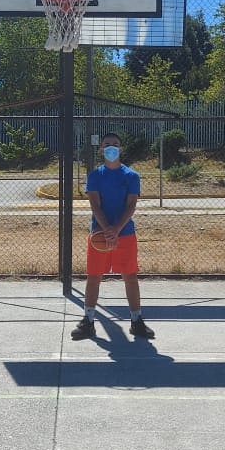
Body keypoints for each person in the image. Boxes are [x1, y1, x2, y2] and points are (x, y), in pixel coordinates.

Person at [71, 133, 154, 341]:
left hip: (124, 233)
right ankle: (88, 321)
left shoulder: (131, 176)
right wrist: (107, 228)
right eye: (107, 145)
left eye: (115, 145)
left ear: (121, 149)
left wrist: (116, 229)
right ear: (100, 150)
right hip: (99, 234)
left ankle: (137, 321)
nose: (111, 148)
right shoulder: (95, 176)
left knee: (130, 276)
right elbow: (95, 205)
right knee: (93, 276)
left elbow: (131, 205)